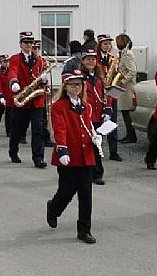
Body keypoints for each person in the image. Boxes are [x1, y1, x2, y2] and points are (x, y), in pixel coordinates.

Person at [46, 70, 98, 244]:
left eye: (79, 84)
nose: (77, 87)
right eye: (73, 84)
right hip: (68, 154)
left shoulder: (86, 106)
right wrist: (62, 149)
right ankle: (53, 209)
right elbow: (60, 129)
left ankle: (84, 230)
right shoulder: (58, 106)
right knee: (66, 191)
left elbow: (88, 125)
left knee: (86, 195)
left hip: (86, 156)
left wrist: (95, 135)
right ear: (65, 86)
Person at [7, 31, 49, 168]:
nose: (29, 45)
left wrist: (44, 80)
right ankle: (13, 151)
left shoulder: (40, 60)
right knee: (17, 128)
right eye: (26, 42)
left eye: (31, 42)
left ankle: (38, 158)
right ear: (20, 44)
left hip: (37, 99)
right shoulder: (15, 58)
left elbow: (43, 75)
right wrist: (14, 82)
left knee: (38, 129)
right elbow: (13, 70)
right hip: (23, 97)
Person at [81, 49, 113, 185]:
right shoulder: (80, 77)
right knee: (89, 145)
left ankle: (96, 173)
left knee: (97, 144)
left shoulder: (100, 77)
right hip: (85, 116)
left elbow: (107, 94)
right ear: (83, 61)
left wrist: (108, 109)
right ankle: (92, 173)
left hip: (98, 116)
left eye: (93, 59)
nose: (91, 61)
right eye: (88, 59)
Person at [96, 34, 121, 161]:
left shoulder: (112, 58)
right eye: (105, 43)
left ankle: (113, 151)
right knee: (96, 122)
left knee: (112, 122)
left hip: (111, 94)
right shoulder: (94, 58)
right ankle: (96, 148)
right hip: (98, 94)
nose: (107, 46)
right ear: (99, 44)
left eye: (109, 44)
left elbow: (116, 74)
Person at [115, 33, 138, 144]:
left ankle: (132, 136)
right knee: (125, 112)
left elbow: (132, 71)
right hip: (124, 87)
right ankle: (129, 134)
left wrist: (123, 81)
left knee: (127, 112)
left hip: (127, 87)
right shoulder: (124, 53)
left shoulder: (127, 54)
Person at [0, 54, 12, 136]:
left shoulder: (11, 72)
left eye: (8, 61)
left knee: (9, 114)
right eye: (5, 61)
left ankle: (9, 131)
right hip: (2, 96)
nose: (7, 63)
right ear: (0, 62)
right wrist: (0, 96)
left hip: (10, 96)